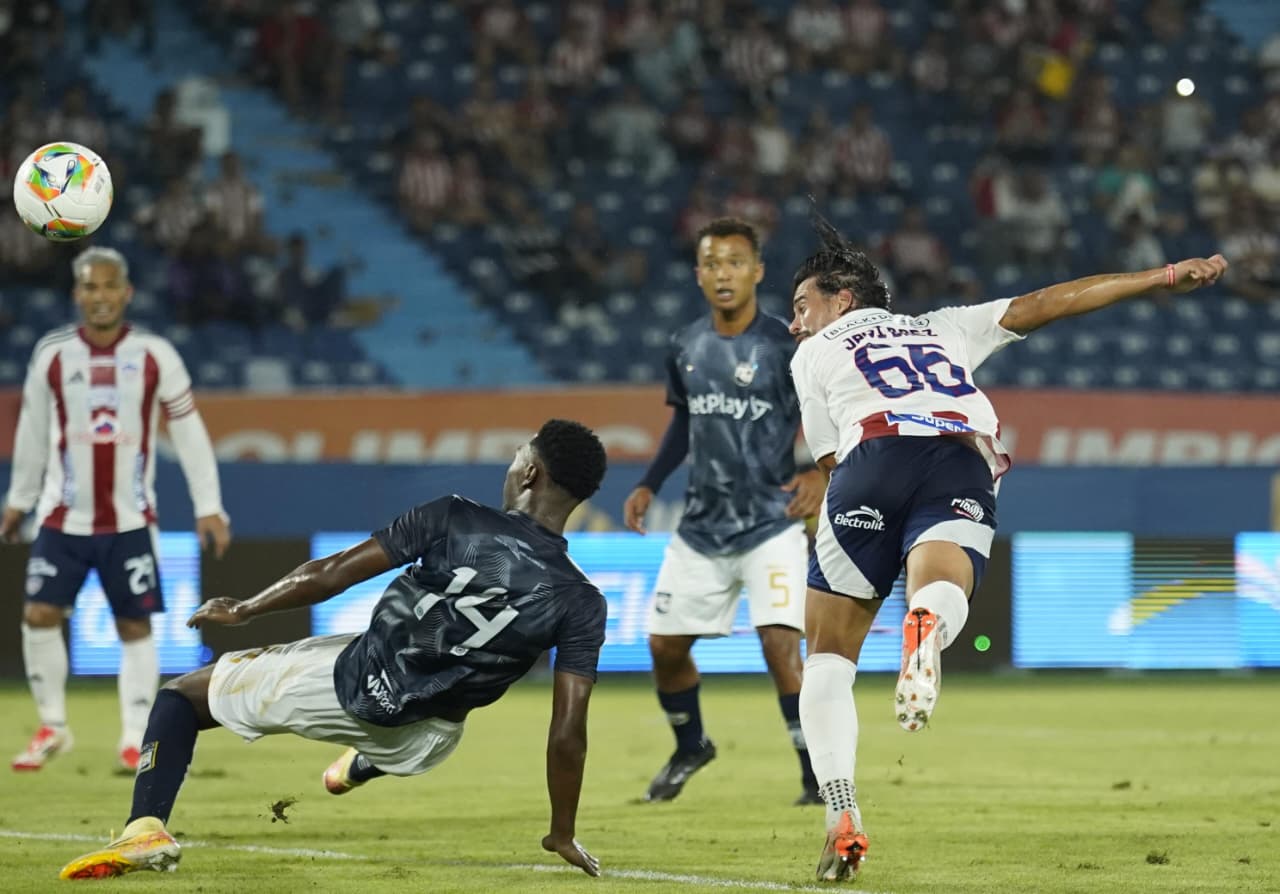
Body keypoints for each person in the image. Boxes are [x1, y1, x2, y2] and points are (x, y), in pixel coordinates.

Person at [785, 214, 1228, 882]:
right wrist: (1162, 277)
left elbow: (828, 460)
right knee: (943, 581)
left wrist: (836, 512)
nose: (794, 323)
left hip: (872, 456)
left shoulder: (812, 354)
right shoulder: (944, 325)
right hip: (961, 456)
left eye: (801, 306)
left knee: (826, 657)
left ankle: (841, 814)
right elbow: (1050, 301)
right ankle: (927, 628)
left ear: (842, 300)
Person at [58, 419, 610, 881]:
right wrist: (562, 831)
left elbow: (330, 574)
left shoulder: (456, 516)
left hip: (351, 687)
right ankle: (362, 762)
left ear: (531, 472)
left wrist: (245, 608)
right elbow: (568, 734)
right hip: (430, 741)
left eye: (518, 456)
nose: (512, 464)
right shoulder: (583, 600)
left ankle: (143, 831)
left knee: (179, 700)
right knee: (414, 689)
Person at [2, 247, 231, 773]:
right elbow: (33, 434)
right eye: (89, 286)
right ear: (76, 294)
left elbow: (190, 433)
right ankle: (52, 727)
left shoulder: (155, 355)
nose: (99, 296)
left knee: (134, 626)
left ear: (126, 292)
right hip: (61, 518)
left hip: (130, 522)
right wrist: (18, 502)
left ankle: (133, 738)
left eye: (108, 286)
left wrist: (209, 505)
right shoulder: (52, 355)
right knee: (38, 614)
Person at [623, 218, 827, 805]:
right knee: (664, 647)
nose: (723, 274)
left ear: (758, 270)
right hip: (701, 526)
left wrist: (816, 468)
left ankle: (815, 776)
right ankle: (691, 746)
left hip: (772, 519)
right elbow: (685, 420)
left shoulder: (789, 345)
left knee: (779, 644)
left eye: (735, 263)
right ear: (698, 275)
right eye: (712, 264)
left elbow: (828, 410)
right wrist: (649, 482)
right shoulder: (686, 345)